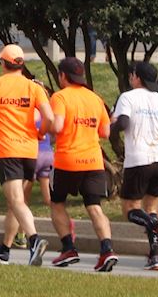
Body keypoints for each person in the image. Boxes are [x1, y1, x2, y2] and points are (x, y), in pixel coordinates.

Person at [0, 43, 52, 265]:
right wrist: (40, 133)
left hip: (8, 150)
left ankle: (34, 239)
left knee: (16, 201)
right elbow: (49, 118)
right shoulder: (34, 88)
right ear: (21, 64)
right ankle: (4, 249)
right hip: (30, 151)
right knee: (15, 203)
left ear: (2, 63)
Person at [111, 59, 158, 271]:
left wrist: (111, 127)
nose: (130, 78)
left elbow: (123, 123)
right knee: (150, 208)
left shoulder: (128, 97)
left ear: (137, 78)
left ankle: (156, 225)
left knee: (130, 210)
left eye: (132, 75)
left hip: (139, 161)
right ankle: (154, 256)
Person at [46, 57, 117, 271]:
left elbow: (57, 126)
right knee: (94, 207)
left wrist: (46, 126)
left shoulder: (60, 97)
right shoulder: (95, 98)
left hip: (67, 161)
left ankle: (68, 248)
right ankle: (107, 250)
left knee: (57, 203)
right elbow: (105, 132)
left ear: (62, 76)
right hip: (94, 161)